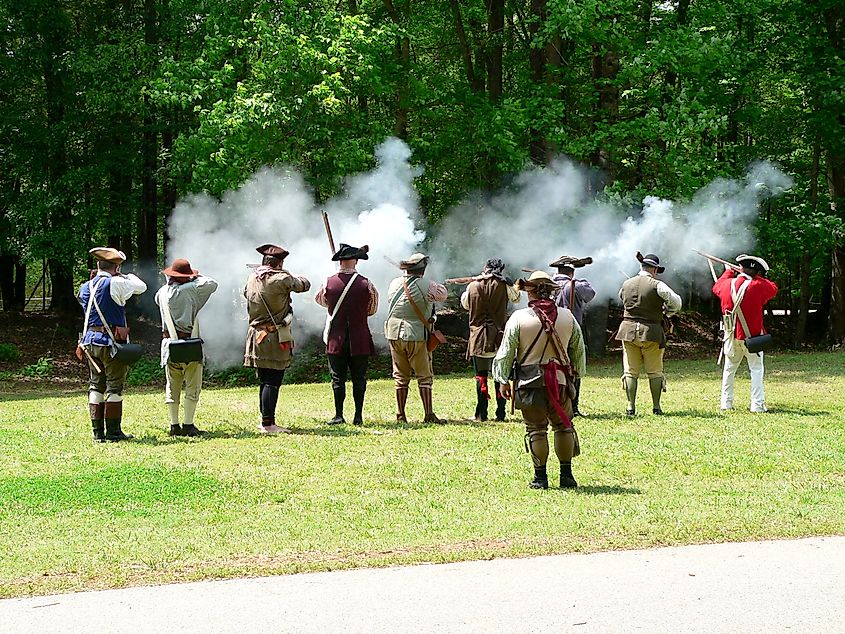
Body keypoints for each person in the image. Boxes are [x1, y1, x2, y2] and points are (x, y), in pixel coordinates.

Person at [492, 271, 586, 489]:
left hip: (529, 384)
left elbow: (506, 353)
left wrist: (502, 380)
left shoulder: (518, 318)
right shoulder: (568, 317)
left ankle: (540, 478)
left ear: (530, 292)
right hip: (561, 382)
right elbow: (579, 351)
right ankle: (566, 476)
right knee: (564, 426)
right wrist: (577, 375)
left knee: (536, 429)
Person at [77, 247, 147, 442]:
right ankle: (114, 432)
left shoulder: (84, 287)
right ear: (116, 267)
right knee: (114, 387)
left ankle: (97, 433)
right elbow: (141, 287)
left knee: (95, 386)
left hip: (89, 342)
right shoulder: (116, 283)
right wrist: (128, 275)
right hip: (110, 343)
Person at [243, 244, 311, 434]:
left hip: (256, 335)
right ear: (279, 263)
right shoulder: (282, 278)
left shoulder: (252, 277)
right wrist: (290, 274)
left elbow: (245, 294)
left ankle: (265, 420)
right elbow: (305, 285)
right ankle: (269, 424)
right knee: (273, 380)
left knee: (265, 380)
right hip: (273, 336)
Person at [314, 243, 379, 425]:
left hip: (336, 338)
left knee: (337, 378)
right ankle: (358, 416)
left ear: (340, 261)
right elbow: (372, 309)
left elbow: (321, 300)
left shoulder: (328, 282)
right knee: (359, 378)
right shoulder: (367, 283)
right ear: (356, 261)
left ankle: (339, 415)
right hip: (360, 338)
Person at [155, 258, 218, 437]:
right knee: (193, 386)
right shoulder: (192, 289)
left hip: (169, 345)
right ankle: (188, 425)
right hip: (190, 344)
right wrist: (194, 277)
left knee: (172, 386)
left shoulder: (161, 292)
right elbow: (212, 284)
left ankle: (174, 425)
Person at [384, 252, 448, 424]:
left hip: (393, 333)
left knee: (400, 376)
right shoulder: (426, 284)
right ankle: (428, 414)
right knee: (424, 376)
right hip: (416, 334)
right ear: (423, 269)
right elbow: (442, 294)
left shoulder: (394, 283)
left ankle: (400, 415)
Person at [615, 252, 682, 416]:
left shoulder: (626, 283)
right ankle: (656, 407)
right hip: (651, 332)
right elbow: (677, 302)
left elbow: (621, 297)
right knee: (655, 371)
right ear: (654, 269)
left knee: (630, 371)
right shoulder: (657, 285)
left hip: (628, 331)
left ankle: (631, 407)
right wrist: (668, 312)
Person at [712, 254, 778, 412]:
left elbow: (716, 287)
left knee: (729, 369)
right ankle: (757, 405)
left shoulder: (727, 283)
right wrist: (754, 276)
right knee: (756, 370)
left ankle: (726, 404)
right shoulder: (758, 285)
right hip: (752, 337)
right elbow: (773, 288)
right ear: (757, 272)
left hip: (731, 336)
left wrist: (729, 271)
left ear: (740, 267)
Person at [460, 258, 519, 421]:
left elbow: (465, 304)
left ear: (485, 268)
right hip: (499, 337)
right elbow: (516, 298)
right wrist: (508, 283)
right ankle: (501, 414)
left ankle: (481, 414)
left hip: (478, 337)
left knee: (481, 375)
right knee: (500, 375)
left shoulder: (472, 285)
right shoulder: (504, 285)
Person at [550, 255, 596, 416]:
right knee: (574, 367)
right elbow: (590, 294)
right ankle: (573, 407)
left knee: (553, 367)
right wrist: (582, 282)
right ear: (571, 271)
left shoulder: (547, 284)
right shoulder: (575, 285)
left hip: (550, 333)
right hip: (572, 331)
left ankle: (555, 404)